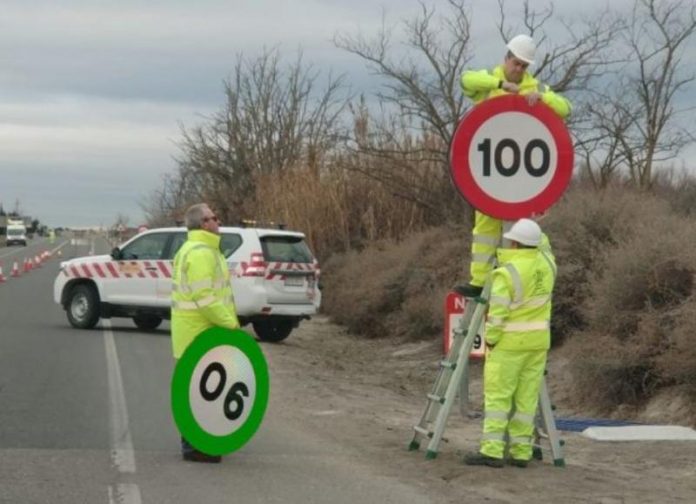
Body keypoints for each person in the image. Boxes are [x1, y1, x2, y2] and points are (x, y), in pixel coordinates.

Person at [454, 34, 571, 298]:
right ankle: (478, 282)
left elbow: (566, 108)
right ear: (506, 58)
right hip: (489, 170)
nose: (519, 69)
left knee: (514, 232)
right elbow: (465, 80)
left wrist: (541, 100)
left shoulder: (536, 88)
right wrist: (501, 84)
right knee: (484, 230)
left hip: (522, 175)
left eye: (524, 66)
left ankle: (510, 284)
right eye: (515, 63)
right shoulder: (489, 80)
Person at [464, 218, 556, 468]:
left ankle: (492, 451)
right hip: (538, 345)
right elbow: (543, 244)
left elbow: (497, 314)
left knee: (498, 398)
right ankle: (521, 452)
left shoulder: (507, 273)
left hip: (508, 345)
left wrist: (490, 341)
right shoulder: (548, 264)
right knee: (526, 401)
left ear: (514, 242)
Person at [171, 203, 240, 463]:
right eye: (214, 217)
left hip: (198, 333)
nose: (218, 220)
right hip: (199, 334)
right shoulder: (201, 253)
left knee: (203, 390)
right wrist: (230, 324)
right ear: (203, 224)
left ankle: (199, 444)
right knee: (200, 392)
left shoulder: (205, 250)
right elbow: (205, 297)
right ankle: (195, 446)